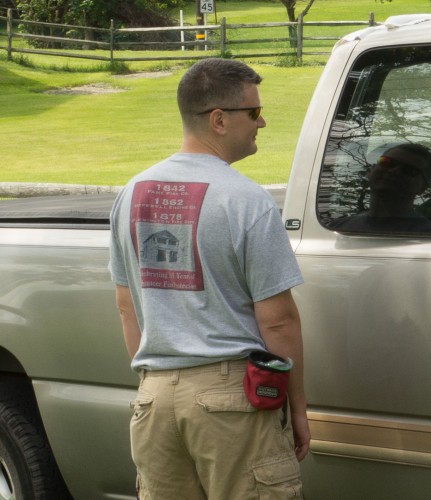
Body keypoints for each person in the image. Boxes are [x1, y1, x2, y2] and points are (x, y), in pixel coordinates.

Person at [108, 58, 309, 499]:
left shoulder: (131, 194)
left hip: (153, 401)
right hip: (231, 403)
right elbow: (277, 322)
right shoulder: (246, 200)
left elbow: (127, 306)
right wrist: (297, 408)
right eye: (254, 112)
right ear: (219, 119)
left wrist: (154, 381)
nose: (263, 122)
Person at [329, 143, 431, 234]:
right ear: (371, 170)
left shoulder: (429, 238)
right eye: (387, 162)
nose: (394, 171)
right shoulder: (338, 228)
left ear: (422, 188)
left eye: (409, 170)